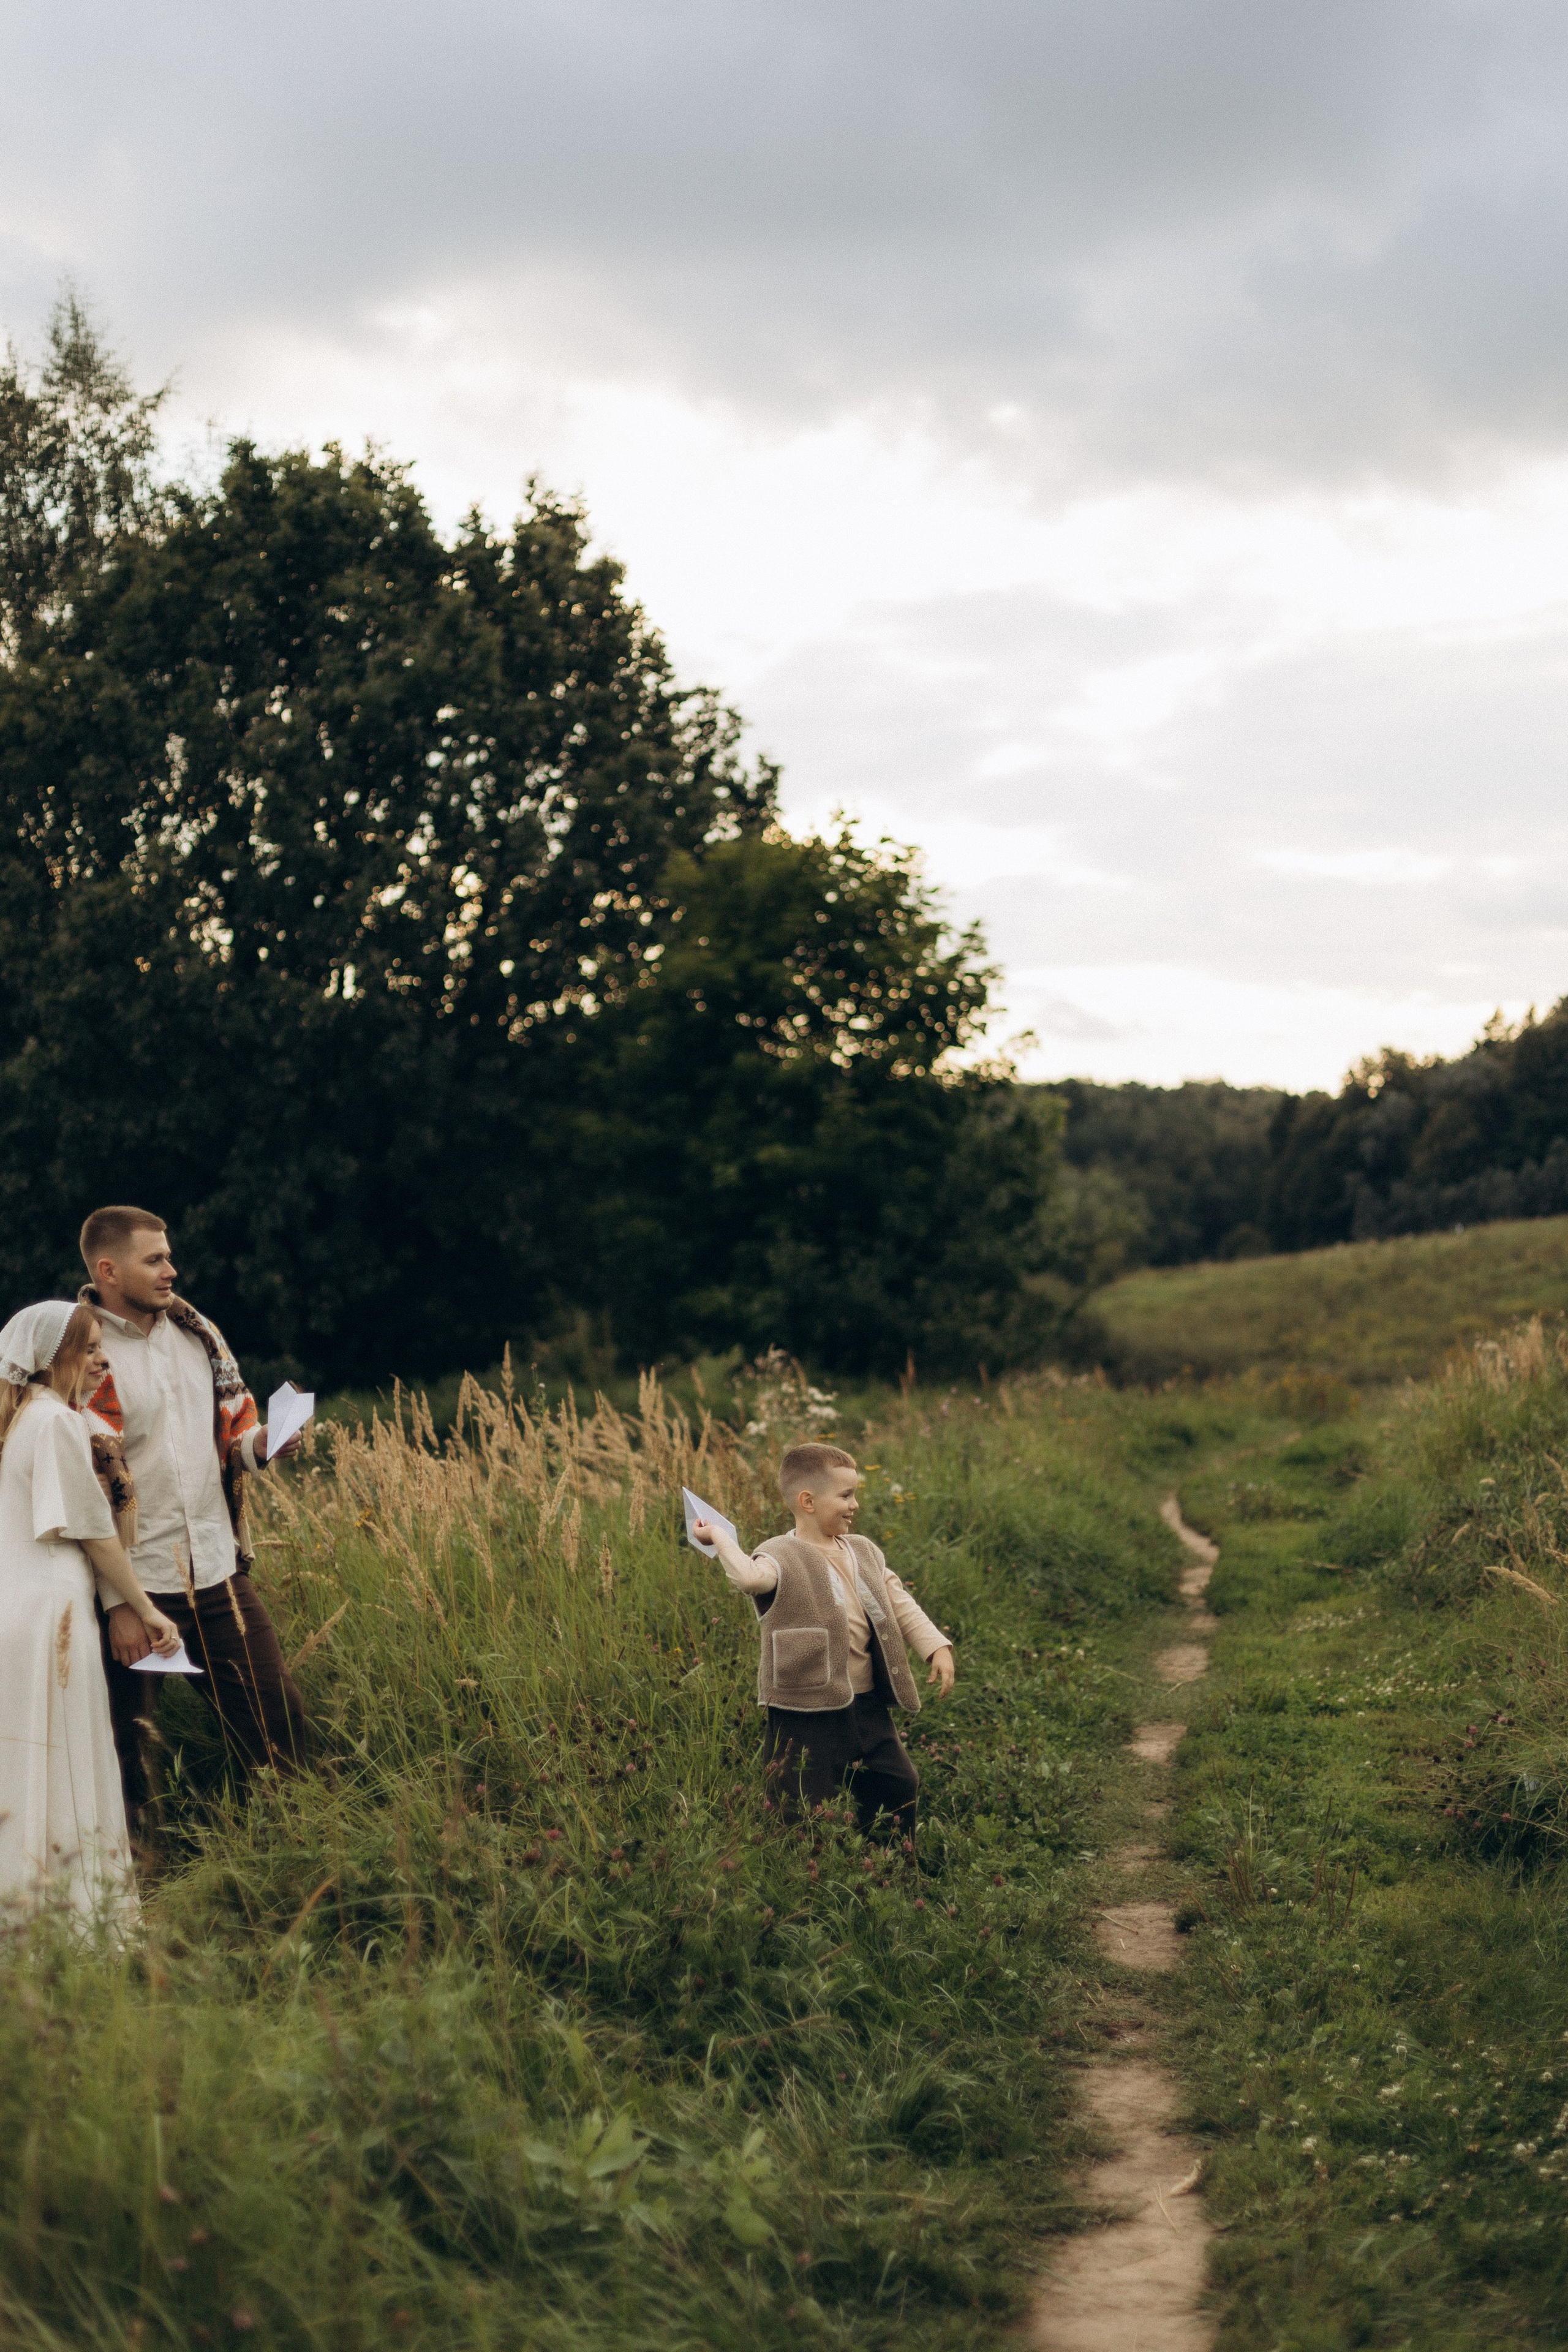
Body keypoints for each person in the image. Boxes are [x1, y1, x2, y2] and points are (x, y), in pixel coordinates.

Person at [76, 1206, 306, 1823]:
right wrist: (118, 1604)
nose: (171, 1270)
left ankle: (298, 1848)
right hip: (136, 1585)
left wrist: (266, 1443)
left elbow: (234, 1434)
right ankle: (137, 1873)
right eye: (154, 1260)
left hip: (216, 1571)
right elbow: (83, 1488)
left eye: (169, 1257)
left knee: (279, 1727)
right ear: (108, 1271)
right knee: (127, 1755)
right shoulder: (79, 1352)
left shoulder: (198, 1333)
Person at [0, 1300, 183, 1926]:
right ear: (55, 1357)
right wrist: (146, 1609)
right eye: (92, 1348)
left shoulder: (21, 1419)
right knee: (69, 1758)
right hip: (53, 1609)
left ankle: (27, 1914)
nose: (104, 1359)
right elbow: (96, 1534)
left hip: (17, 1608)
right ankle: (77, 1924)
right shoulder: (56, 1422)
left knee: (29, 1760)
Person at [693, 1440, 955, 1842]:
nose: (855, 1505)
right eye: (846, 1496)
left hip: (865, 1703)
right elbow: (749, 1579)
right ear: (808, 1501)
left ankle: (890, 1863)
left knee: (897, 1783)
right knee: (799, 1803)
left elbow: (899, 1602)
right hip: (803, 1708)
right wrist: (718, 1536)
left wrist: (936, 1646)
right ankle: (802, 1870)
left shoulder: (863, 1551)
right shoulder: (779, 1554)